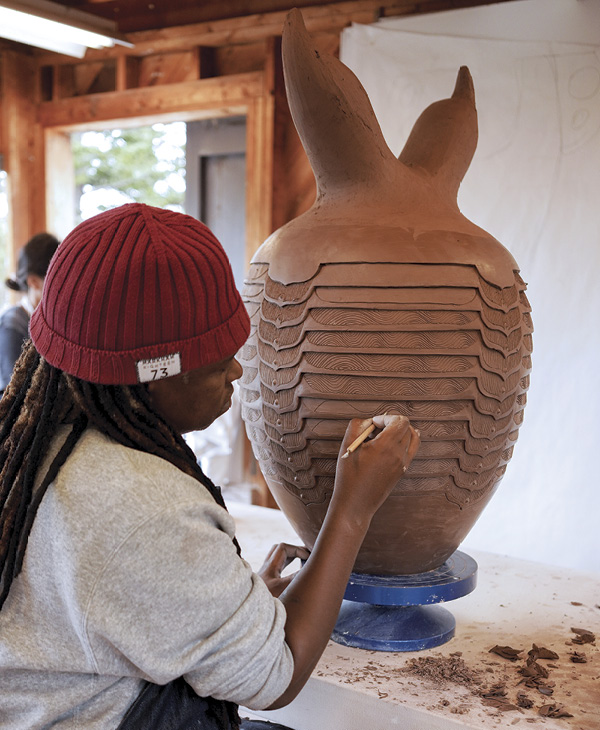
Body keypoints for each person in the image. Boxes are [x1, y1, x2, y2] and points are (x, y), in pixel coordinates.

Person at [0, 203, 419, 729]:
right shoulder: (142, 504)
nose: (236, 369)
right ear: (156, 374)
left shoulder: (24, 443)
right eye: (219, 356)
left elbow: (103, 599)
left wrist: (213, 604)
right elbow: (277, 676)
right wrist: (353, 508)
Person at [0, 232, 60, 396]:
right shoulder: (12, 325)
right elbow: (11, 394)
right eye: (55, 280)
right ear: (33, 281)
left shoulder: (54, 321)